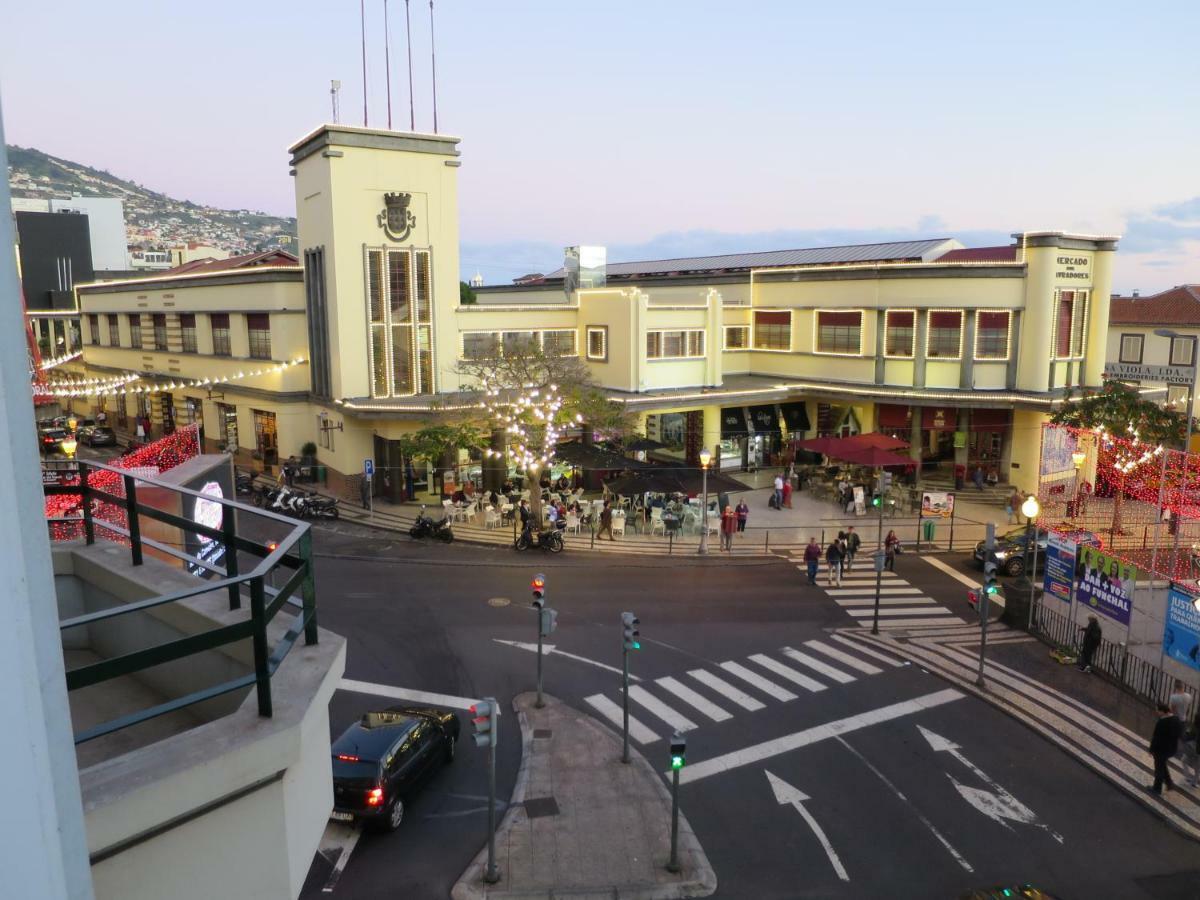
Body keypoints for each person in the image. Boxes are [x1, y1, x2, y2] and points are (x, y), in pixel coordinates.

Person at [1148, 703, 1183, 795]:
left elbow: (1156, 737)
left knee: (1159, 768)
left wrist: (1151, 749)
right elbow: (1180, 733)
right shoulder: (1176, 719)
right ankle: (1169, 783)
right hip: (1172, 748)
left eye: (1157, 711)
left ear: (1162, 711)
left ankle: (1157, 788)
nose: (1156, 712)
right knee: (1162, 764)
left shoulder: (1161, 722)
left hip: (1160, 749)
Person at [1183, 707, 1200, 788]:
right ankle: (1194, 781)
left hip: (1192, 748)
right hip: (1197, 751)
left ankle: (1188, 777)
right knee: (1197, 767)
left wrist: (1186, 733)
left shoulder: (1194, 728)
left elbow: (1188, 737)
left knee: (1184, 760)